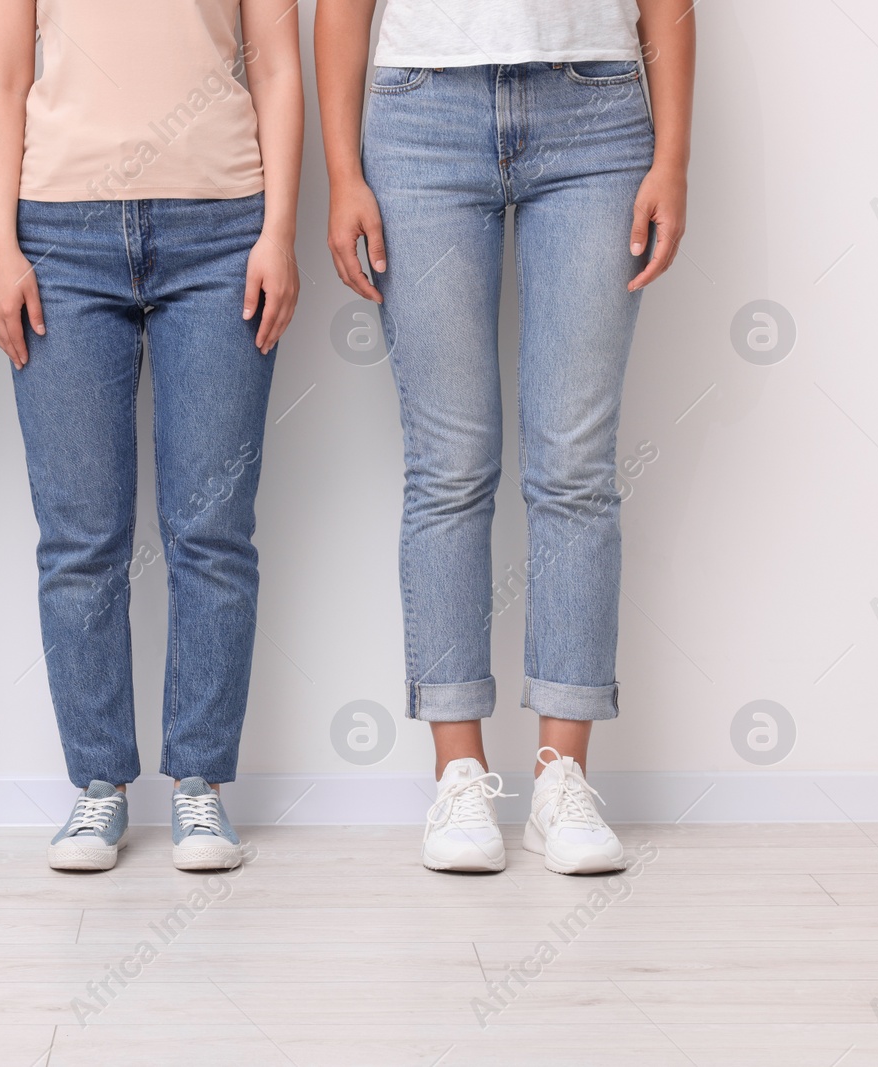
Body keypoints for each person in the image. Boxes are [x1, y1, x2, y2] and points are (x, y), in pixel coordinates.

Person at [316, 0, 694, 873]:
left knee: (575, 467)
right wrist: (344, 172)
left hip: (596, 113)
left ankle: (563, 780)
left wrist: (672, 156)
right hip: (419, 117)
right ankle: (459, 774)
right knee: (449, 467)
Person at [0, 0, 303, 871]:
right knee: (81, 537)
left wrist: (278, 232)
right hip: (58, 231)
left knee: (213, 530)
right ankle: (98, 785)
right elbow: (3, 77)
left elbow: (274, 65)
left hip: (223, 229)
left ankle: (200, 786)